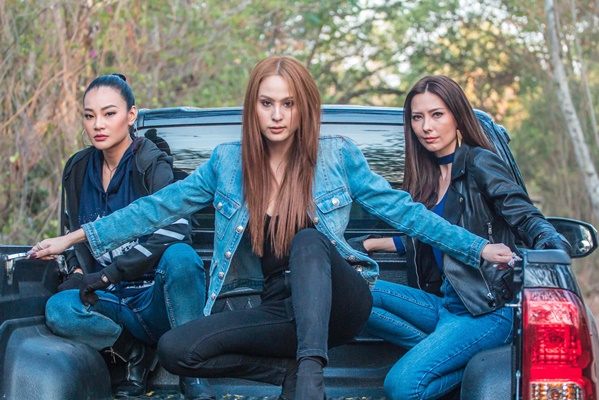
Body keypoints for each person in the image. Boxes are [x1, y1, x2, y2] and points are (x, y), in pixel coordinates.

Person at [33, 58, 515, 400]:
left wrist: (477, 248)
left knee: (309, 240)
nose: (278, 115)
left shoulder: (337, 156)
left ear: (303, 107)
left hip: (340, 303)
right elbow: (155, 208)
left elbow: (408, 214)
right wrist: (75, 238)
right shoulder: (227, 164)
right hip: (278, 306)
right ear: (254, 107)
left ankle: (309, 379)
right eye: (267, 103)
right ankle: (286, 373)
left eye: (288, 103)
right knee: (177, 349)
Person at [354, 75, 570, 400]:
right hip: (447, 303)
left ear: (457, 116)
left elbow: (525, 216)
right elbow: (430, 236)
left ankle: (444, 361)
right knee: (353, 291)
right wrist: (370, 244)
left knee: (402, 385)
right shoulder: (427, 177)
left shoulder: (480, 163)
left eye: (437, 114)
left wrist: (552, 248)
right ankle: (444, 354)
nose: (426, 126)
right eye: (417, 117)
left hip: (486, 310)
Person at [40, 74, 215, 399]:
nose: (98, 124)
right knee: (60, 309)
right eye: (90, 115)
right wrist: (75, 267)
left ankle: (191, 373)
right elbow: (71, 232)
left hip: (156, 299)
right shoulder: (77, 169)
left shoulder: (150, 163)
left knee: (181, 257)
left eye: (109, 113)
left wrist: (110, 273)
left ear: (131, 115)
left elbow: (176, 229)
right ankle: (135, 354)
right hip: (109, 300)